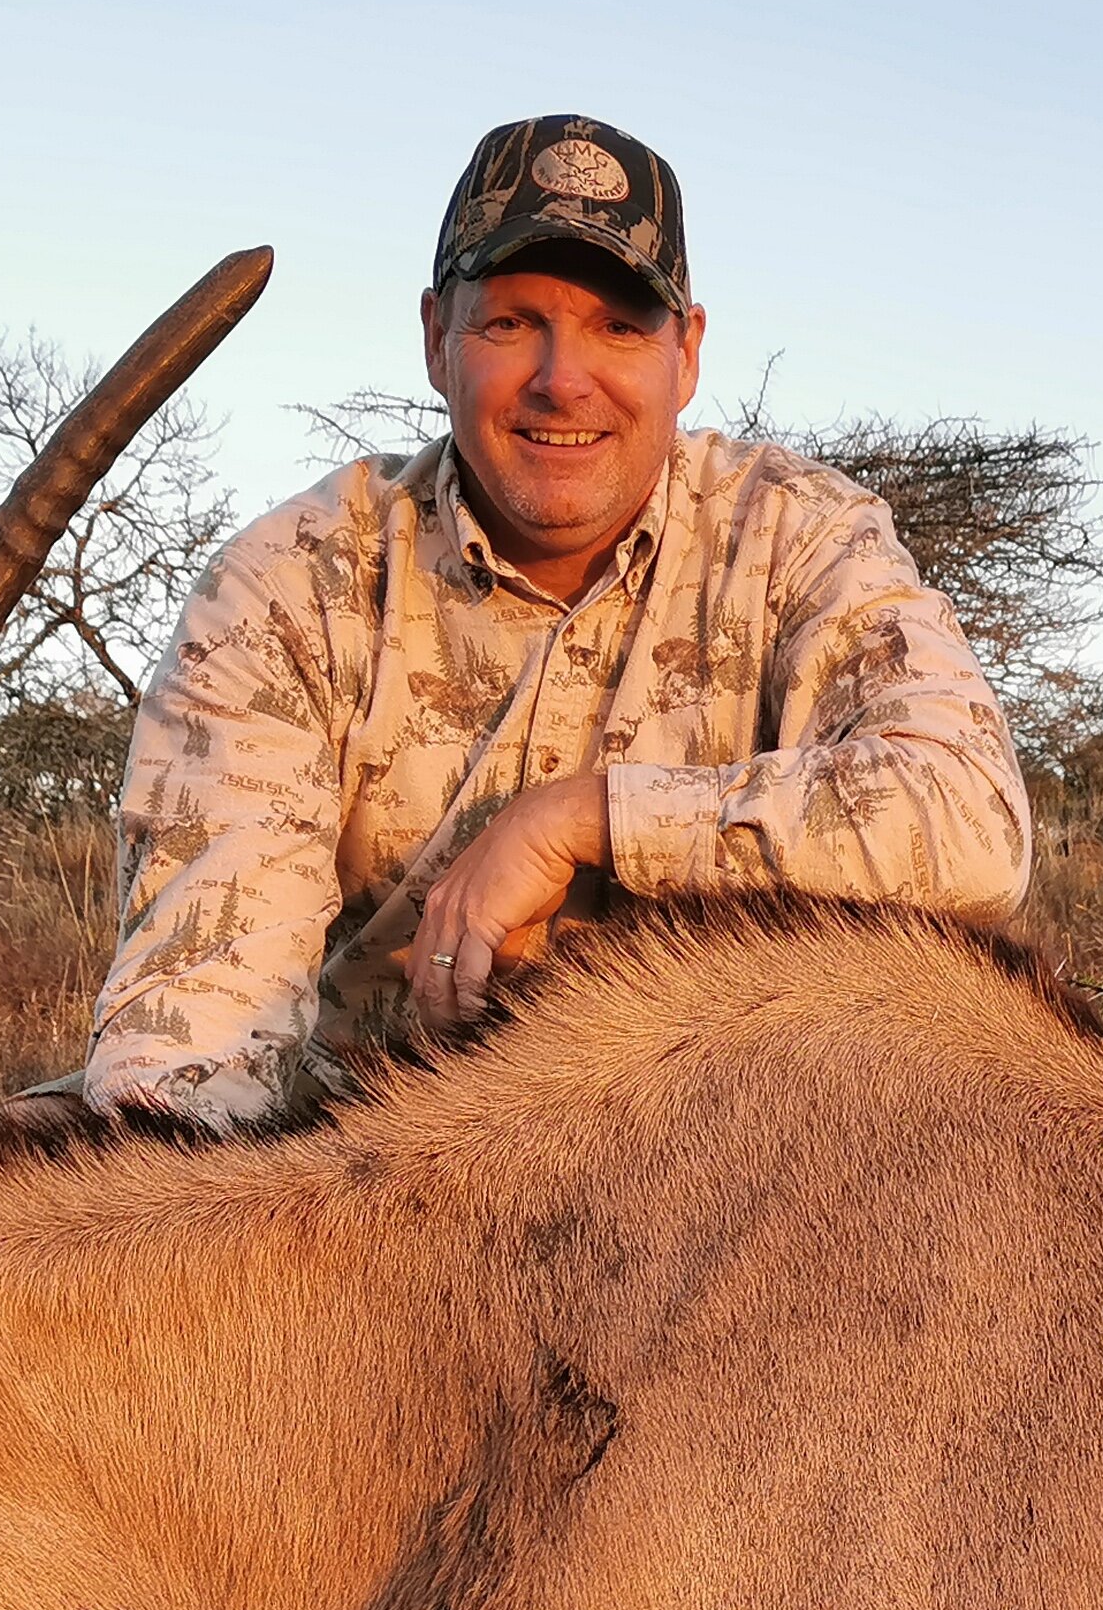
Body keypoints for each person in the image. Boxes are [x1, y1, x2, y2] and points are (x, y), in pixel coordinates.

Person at [67, 112, 1032, 1128]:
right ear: (438, 340)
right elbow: (202, 1015)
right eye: (512, 322)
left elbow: (973, 821)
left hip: (724, 1161)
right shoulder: (291, 579)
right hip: (358, 1161)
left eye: (620, 325)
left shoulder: (801, 537)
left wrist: (589, 819)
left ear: (687, 352)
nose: (561, 379)